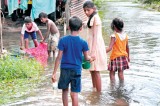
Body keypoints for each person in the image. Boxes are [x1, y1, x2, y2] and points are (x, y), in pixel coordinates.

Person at [52, 16, 95, 106]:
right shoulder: (83, 42)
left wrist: (54, 73)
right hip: (76, 70)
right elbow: (86, 58)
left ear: (68, 27)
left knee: (65, 91)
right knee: (74, 94)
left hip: (65, 69)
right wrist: (91, 58)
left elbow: (59, 57)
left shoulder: (63, 40)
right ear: (81, 28)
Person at [83, 1, 107, 92]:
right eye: (84, 10)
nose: (86, 12)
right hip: (91, 45)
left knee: (96, 70)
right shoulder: (91, 17)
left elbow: (95, 36)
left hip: (95, 46)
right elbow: (87, 24)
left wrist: (92, 52)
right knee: (91, 69)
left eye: (88, 10)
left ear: (93, 9)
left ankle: (99, 93)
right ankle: (94, 89)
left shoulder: (96, 18)